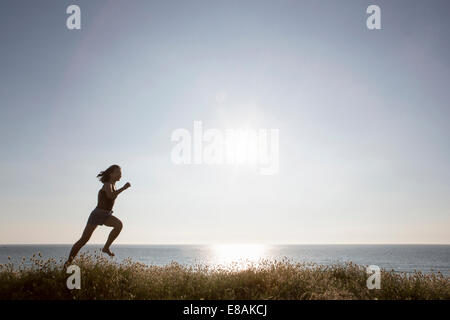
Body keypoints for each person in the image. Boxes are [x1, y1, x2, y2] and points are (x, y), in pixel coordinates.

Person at [66, 164, 131, 265]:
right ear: (111, 174)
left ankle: (106, 248)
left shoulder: (113, 185)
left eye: (120, 173)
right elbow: (110, 196)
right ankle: (68, 262)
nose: (120, 174)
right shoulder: (107, 184)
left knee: (119, 225)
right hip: (97, 214)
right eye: (118, 172)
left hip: (106, 214)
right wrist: (123, 188)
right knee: (83, 240)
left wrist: (121, 188)